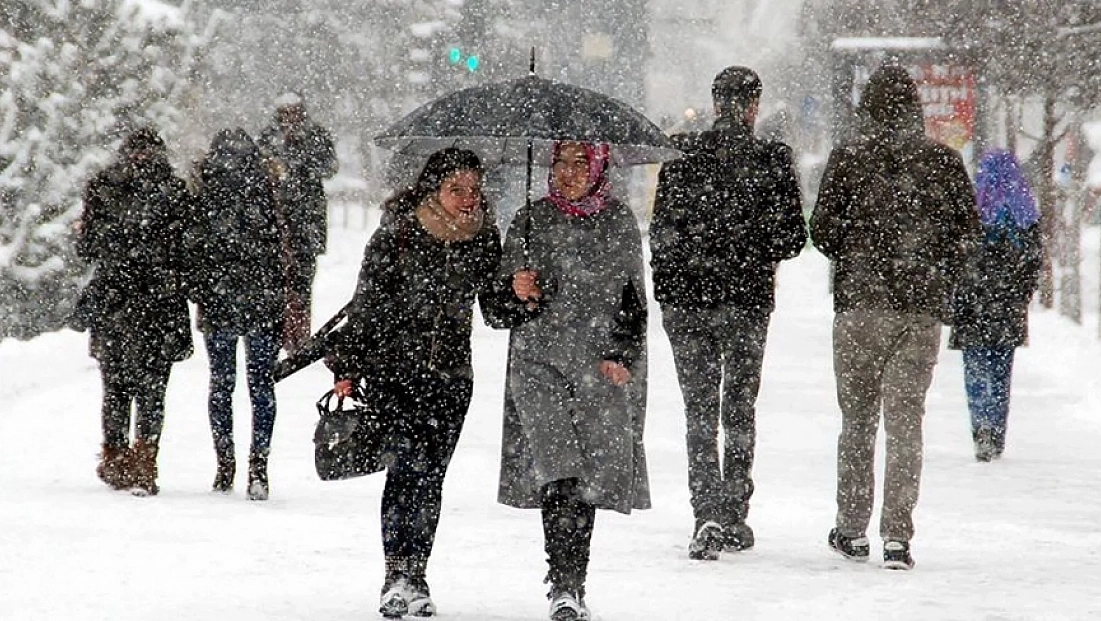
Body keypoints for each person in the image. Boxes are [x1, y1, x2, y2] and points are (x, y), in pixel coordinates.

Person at [810, 64, 981, 570]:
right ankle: (897, 537)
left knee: (858, 421)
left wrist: (858, 249)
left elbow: (821, 230)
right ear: (916, 108)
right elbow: (968, 236)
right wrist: (933, 269)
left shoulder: (849, 159)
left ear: (867, 108)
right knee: (906, 424)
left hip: (860, 306)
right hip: (919, 311)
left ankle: (851, 528)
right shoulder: (943, 162)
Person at [324, 149, 502, 618]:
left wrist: (520, 291)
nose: (466, 199)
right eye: (455, 189)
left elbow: (497, 311)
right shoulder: (400, 231)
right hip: (394, 373)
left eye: (473, 190)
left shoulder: (484, 238)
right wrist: (348, 364)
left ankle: (417, 571)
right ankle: (396, 573)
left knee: (431, 478)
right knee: (405, 469)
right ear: (434, 189)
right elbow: (366, 302)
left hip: (451, 377)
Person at [649, 65, 807, 559]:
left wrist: (672, 286)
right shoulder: (772, 159)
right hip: (746, 300)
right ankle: (736, 511)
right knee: (739, 407)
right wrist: (750, 246)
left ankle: (706, 513)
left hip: (688, 302)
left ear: (716, 102)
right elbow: (791, 239)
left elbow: (662, 231)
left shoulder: (681, 155)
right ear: (754, 105)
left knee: (698, 409)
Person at [496, 141, 649, 621]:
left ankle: (573, 581)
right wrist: (515, 290)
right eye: (560, 162)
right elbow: (496, 309)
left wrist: (622, 354)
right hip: (537, 365)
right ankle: (562, 583)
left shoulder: (619, 222)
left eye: (580, 163)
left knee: (587, 478)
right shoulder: (529, 219)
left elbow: (633, 301)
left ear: (600, 166)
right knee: (558, 470)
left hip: (598, 369)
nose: (568, 173)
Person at [75, 127, 196, 497]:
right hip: (159, 302)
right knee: (152, 388)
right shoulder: (174, 192)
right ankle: (145, 460)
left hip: (116, 301)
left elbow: (87, 247)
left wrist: (117, 253)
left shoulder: (104, 187)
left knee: (115, 387)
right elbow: (186, 250)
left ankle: (115, 457)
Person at [191, 128, 286, 499]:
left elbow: (195, 247)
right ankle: (258, 465)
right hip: (261, 299)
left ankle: (224, 462)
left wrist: (202, 289)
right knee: (261, 386)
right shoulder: (265, 187)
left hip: (220, 300)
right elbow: (278, 249)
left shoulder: (205, 189)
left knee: (221, 385)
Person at [949, 149, 1043, 462]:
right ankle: (997, 431)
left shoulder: (974, 206)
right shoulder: (1025, 211)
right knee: (1002, 371)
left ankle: (981, 428)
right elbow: (1033, 261)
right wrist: (1021, 294)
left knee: (976, 368)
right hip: (1008, 305)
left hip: (973, 303)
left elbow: (957, 255)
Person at [257, 92, 338, 351]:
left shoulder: (315, 136)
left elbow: (330, 167)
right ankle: (278, 332)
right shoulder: (268, 137)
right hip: (275, 219)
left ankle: (299, 335)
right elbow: (258, 168)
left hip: (307, 219)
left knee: (302, 280)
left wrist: (302, 162)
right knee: (276, 281)